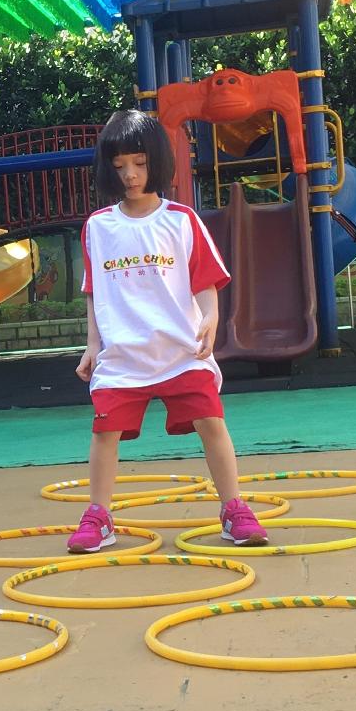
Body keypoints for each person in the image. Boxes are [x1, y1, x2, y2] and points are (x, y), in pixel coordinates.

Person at [68, 109, 268, 554]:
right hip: (124, 355)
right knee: (104, 432)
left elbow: (204, 281)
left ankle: (234, 508)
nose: (130, 175)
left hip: (181, 350)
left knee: (211, 421)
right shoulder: (99, 227)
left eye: (139, 163)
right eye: (119, 166)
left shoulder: (181, 220)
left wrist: (210, 318)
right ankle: (98, 516)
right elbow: (93, 291)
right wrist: (92, 345)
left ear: (157, 162)